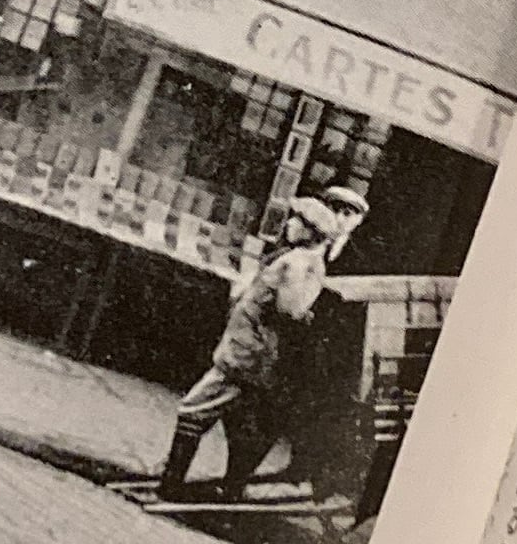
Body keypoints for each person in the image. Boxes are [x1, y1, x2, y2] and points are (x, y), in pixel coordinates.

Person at [157, 187, 367, 500]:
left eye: (348, 213)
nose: (340, 217)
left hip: (289, 355)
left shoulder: (333, 259)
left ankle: (220, 484)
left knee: (247, 420)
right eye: (335, 208)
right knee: (241, 420)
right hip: (262, 347)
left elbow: (300, 309)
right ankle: (228, 484)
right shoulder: (292, 252)